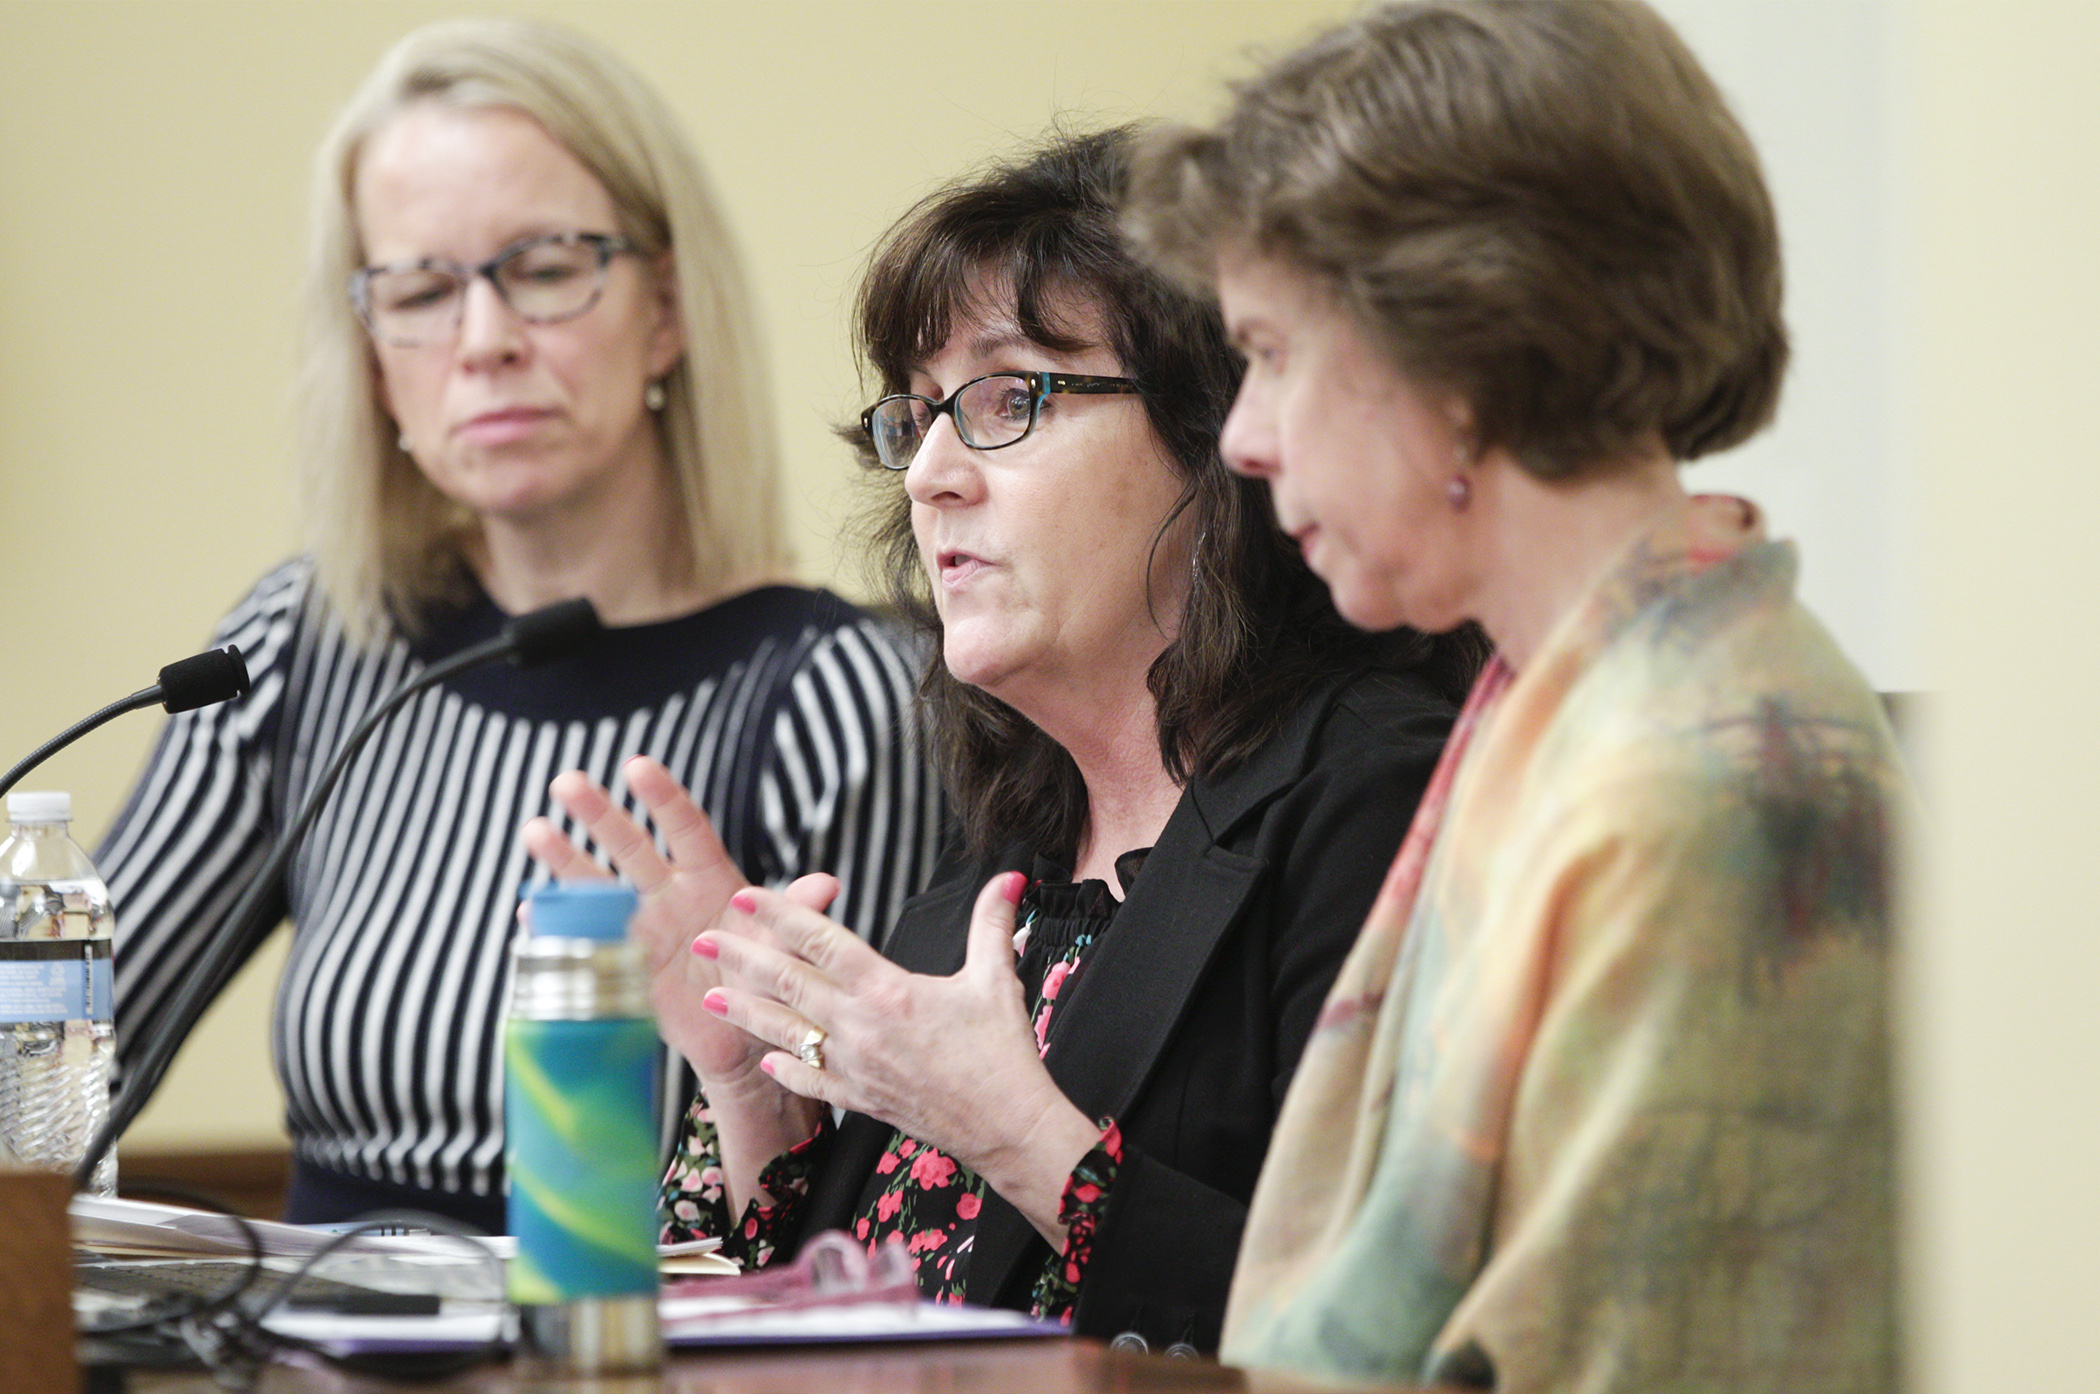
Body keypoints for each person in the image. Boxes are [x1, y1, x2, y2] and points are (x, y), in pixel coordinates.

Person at [525, 126, 1479, 1350]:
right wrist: (747, 1082)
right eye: (918, 415)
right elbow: (798, 1336)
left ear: (1221, 440)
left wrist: (1017, 1131)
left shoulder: (1381, 792)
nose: (928, 474)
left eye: (1007, 396)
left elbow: (1389, 1338)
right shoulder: (1010, 846)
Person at [1124, 2, 1905, 1389]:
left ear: (1462, 350)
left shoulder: (1694, 779)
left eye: (1275, 350)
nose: (1241, 435)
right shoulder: (1572, 698)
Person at [98, 18, 945, 1233]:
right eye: (422, 289)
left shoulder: (838, 696)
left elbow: (865, 1222)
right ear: (373, 357)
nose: (485, 339)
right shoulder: (304, 645)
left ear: (666, 307)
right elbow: (64, 1053)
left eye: (545, 268)